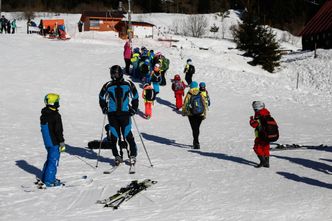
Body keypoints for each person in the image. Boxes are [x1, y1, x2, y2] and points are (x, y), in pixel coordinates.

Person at [99, 65, 139, 166]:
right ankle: (117, 156)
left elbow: (135, 96)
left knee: (127, 135)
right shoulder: (108, 85)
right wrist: (104, 107)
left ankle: (132, 156)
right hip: (112, 114)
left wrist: (134, 108)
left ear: (120, 73)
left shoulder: (128, 83)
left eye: (115, 73)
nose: (114, 75)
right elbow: (101, 97)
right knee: (115, 136)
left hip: (125, 114)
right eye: (112, 73)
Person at [40, 93, 66, 187]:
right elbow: (58, 131)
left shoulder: (44, 114)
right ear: (52, 103)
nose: (58, 103)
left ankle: (45, 177)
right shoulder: (55, 115)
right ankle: (49, 181)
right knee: (53, 160)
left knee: (49, 159)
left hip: (47, 142)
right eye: (56, 101)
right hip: (54, 142)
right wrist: (62, 142)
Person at [182, 81, 207, 149]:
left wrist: (184, 112)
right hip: (200, 113)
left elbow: (185, 103)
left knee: (194, 128)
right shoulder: (200, 93)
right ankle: (196, 141)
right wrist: (204, 113)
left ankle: (196, 142)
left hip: (191, 114)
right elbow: (204, 103)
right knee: (197, 128)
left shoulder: (189, 93)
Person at [249, 101, 271, 168]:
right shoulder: (266, 112)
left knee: (257, 148)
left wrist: (251, 120)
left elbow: (255, 125)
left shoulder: (258, 114)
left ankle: (263, 161)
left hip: (261, 135)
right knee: (265, 148)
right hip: (268, 135)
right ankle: (267, 163)